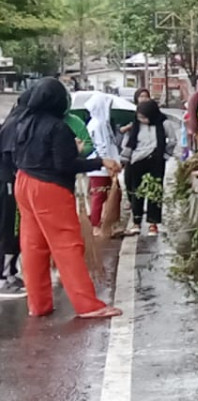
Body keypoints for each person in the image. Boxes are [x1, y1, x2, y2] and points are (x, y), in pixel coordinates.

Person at [9, 78, 121, 318]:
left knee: (33, 246)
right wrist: (100, 161)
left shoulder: (23, 122)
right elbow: (65, 164)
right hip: (49, 188)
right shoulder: (57, 127)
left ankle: (38, 305)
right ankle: (87, 305)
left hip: (23, 183)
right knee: (67, 245)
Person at [121, 99, 174, 237]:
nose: (142, 120)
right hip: (137, 161)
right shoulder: (136, 125)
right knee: (136, 192)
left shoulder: (164, 124)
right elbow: (129, 143)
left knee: (154, 192)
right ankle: (136, 223)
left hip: (156, 162)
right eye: (140, 117)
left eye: (144, 117)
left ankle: (153, 224)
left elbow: (172, 141)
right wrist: (124, 159)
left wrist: (164, 155)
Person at [0, 94, 27, 299]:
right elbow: (11, 155)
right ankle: (4, 275)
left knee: (12, 227)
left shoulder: (15, 120)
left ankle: (9, 272)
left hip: (9, 181)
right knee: (8, 226)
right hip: (7, 182)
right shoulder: (15, 124)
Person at [85, 93, 120, 238]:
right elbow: (101, 147)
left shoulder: (100, 123)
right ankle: (96, 225)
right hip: (100, 168)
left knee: (106, 195)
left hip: (104, 166)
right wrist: (108, 165)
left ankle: (106, 223)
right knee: (99, 196)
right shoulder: (98, 124)